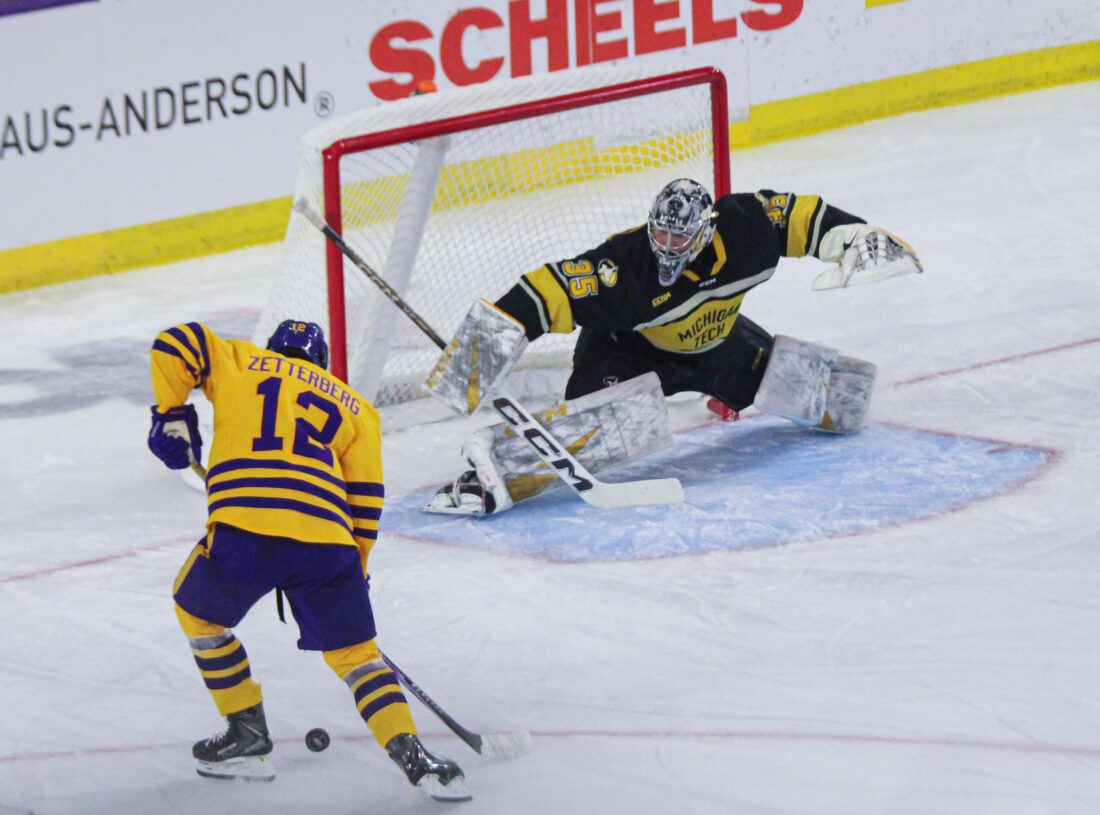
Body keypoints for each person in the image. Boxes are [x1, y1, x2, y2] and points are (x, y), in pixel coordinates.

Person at [423, 178, 922, 516]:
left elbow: (805, 217)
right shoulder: (624, 268)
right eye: (659, 230)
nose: (666, 243)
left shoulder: (746, 229)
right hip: (626, 354)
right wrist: (477, 356)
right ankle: (486, 478)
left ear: (706, 229)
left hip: (714, 344)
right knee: (604, 430)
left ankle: (728, 389)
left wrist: (856, 238)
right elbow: (545, 290)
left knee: (842, 399)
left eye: (679, 236)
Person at [147, 318, 470, 802]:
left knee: (198, 613)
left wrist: (171, 414)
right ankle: (419, 760)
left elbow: (177, 341)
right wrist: (355, 573)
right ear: (321, 363)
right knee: (357, 657)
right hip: (328, 543)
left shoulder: (241, 361)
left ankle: (246, 733)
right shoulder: (355, 406)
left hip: (247, 527)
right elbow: (365, 500)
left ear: (271, 348)